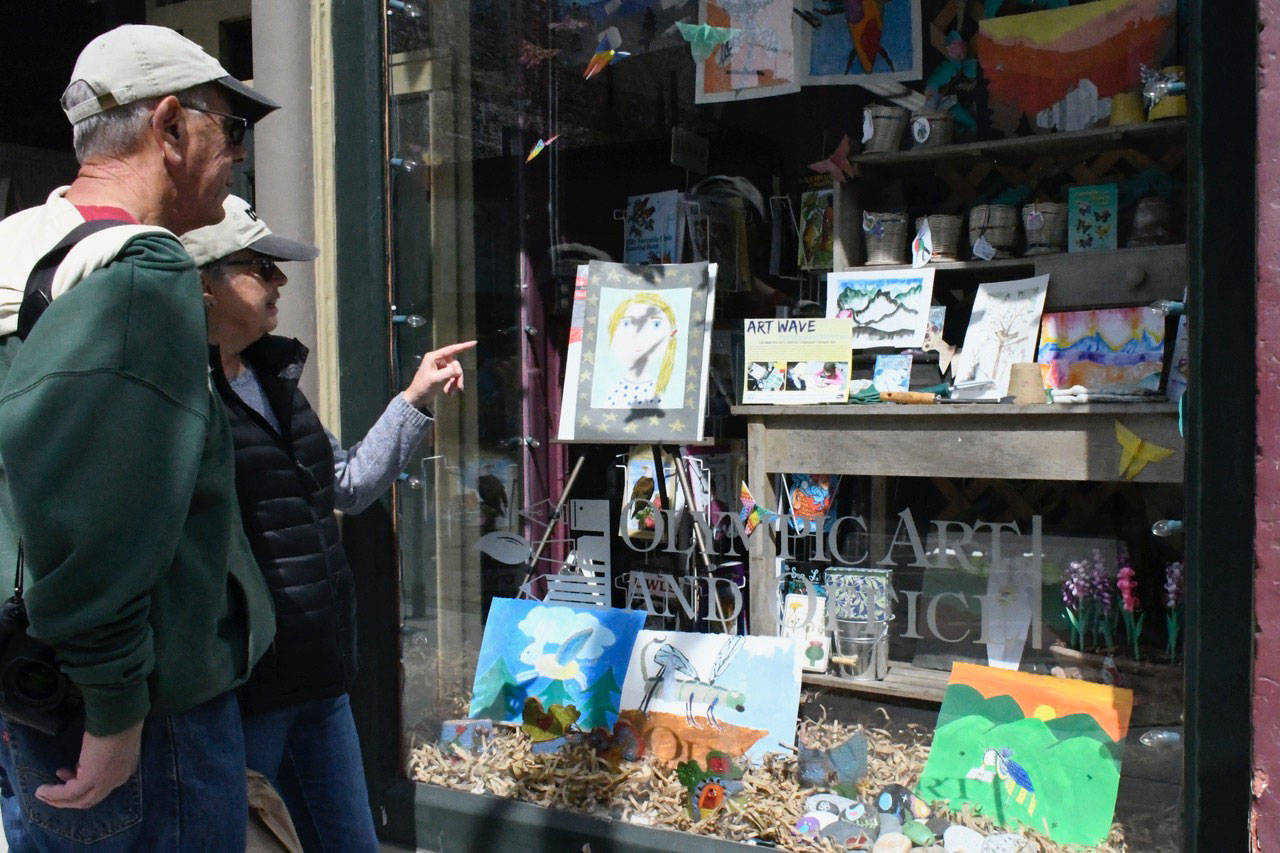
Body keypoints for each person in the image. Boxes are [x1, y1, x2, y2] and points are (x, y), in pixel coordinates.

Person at [0, 25, 280, 850]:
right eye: (229, 129)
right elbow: (100, 522)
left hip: (39, 692)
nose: (236, 154)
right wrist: (118, 705)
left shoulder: (24, 248)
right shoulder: (141, 269)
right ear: (167, 126)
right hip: (139, 723)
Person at [181, 195, 475, 850]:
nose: (281, 280)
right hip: (245, 695)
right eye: (259, 265)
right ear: (204, 281)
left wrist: (414, 399)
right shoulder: (178, 397)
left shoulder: (276, 381)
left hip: (321, 677)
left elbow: (348, 485)